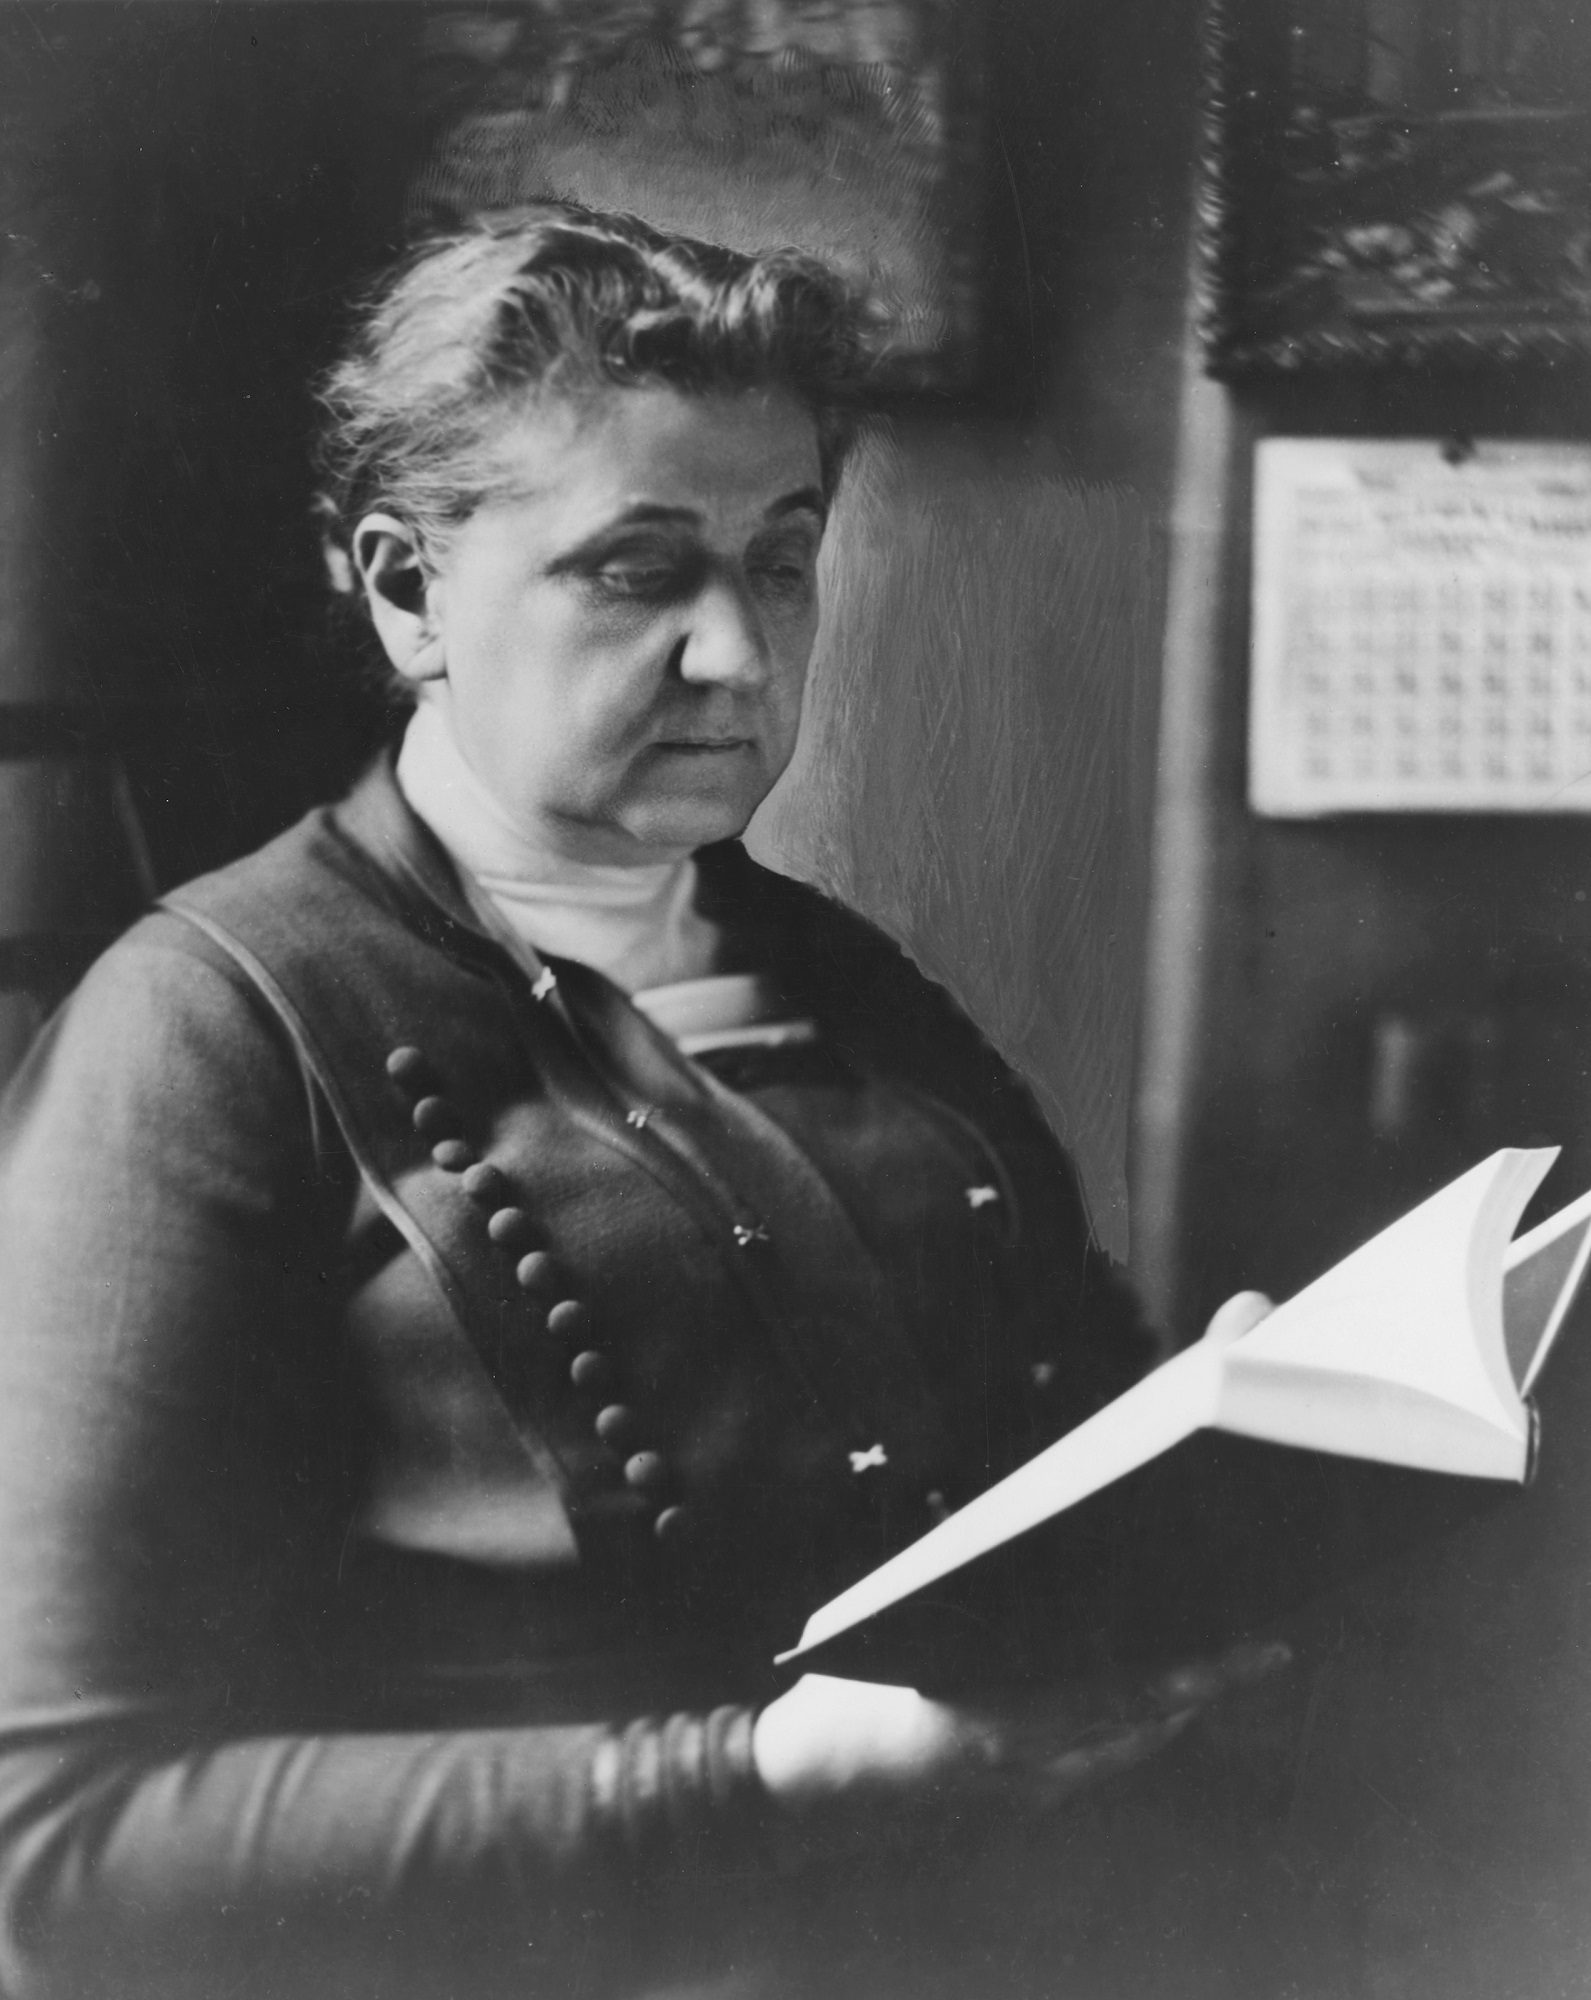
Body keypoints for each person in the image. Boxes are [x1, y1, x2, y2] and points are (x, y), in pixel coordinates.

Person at [0, 207, 1279, 2000]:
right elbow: (63, 1847)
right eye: (636, 568)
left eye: (780, 559)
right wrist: (745, 1781)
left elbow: (1051, 1426)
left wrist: (1213, 1454)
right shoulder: (201, 1034)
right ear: (403, 589)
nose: (740, 657)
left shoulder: (851, 981)